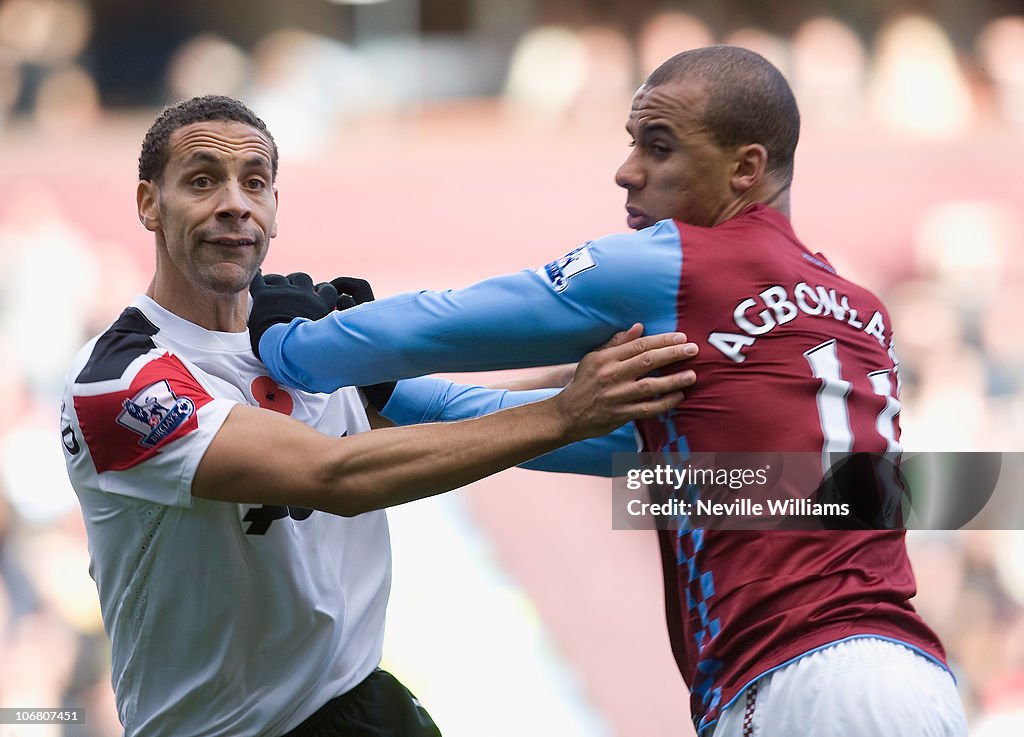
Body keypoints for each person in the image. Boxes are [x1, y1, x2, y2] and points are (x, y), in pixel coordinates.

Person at [249, 47, 968, 735]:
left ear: (745, 167)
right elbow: (540, 431)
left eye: (658, 146)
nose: (627, 172)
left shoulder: (678, 266)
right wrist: (391, 391)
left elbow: (447, 321)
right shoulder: (856, 314)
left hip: (801, 679)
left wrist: (291, 344)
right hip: (920, 678)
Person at [58, 95, 699, 737]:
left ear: (275, 210)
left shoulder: (303, 337)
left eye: (255, 183)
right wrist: (566, 412)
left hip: (362, 707)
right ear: (149, 204)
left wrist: (588, 380)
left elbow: (450, 422)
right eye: (202, 181)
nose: (234, 203)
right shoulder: (121, 380)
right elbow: (334, 477)